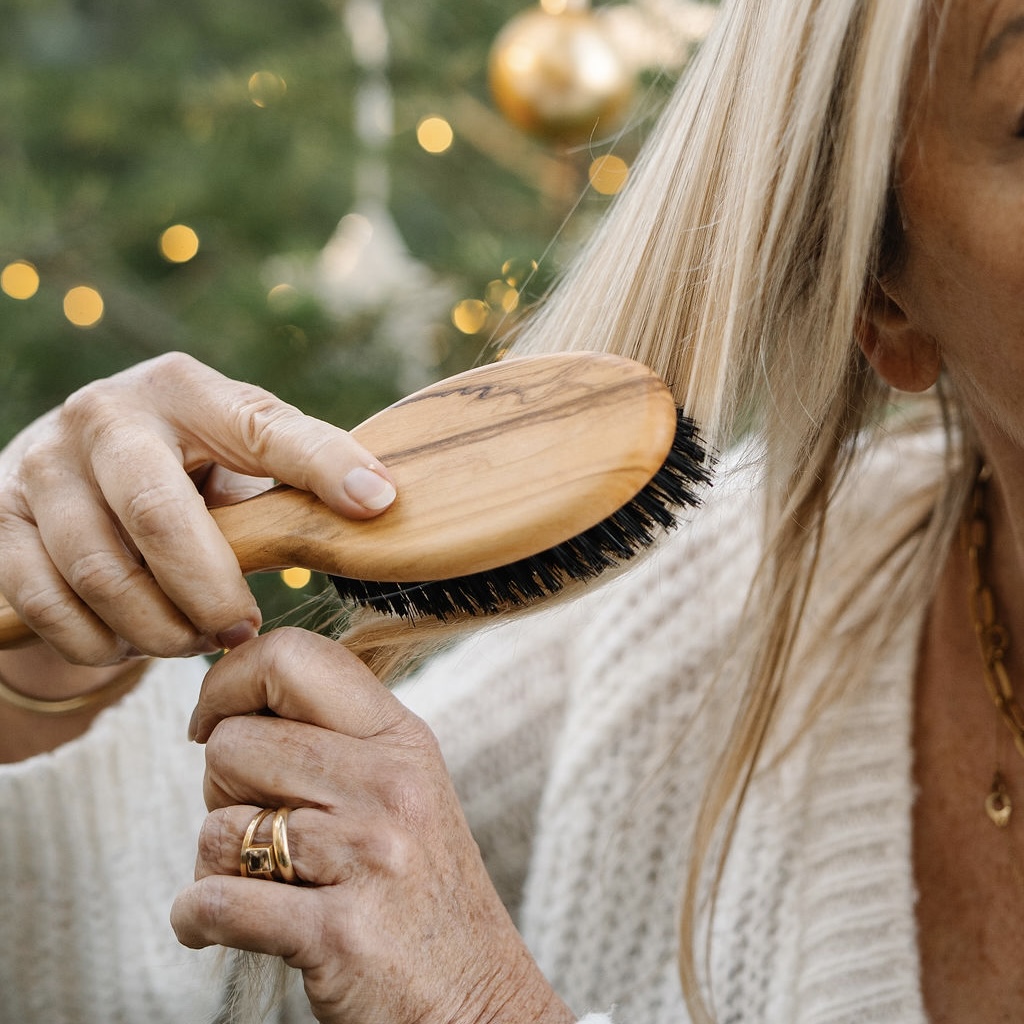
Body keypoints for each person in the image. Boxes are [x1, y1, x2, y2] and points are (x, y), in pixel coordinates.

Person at [0, 0, 1016, 1021]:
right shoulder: (701, 624)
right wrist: (43, 674)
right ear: (882, 297)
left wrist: (491, 1008)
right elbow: (199, 976)